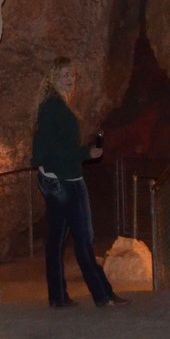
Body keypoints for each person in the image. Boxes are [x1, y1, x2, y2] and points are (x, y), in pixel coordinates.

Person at [33, 88, 128, 308]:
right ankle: (103, 294)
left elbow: (45, 151)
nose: (70, 80)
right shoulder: (54, 107)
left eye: (71, 76)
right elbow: (55, 151)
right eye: (65, 75)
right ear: (54, 77)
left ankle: (57, 297)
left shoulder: (48, 107)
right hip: (69, 181)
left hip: (53, 180)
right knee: (84, 239)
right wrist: (86, 153)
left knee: (56, 240)